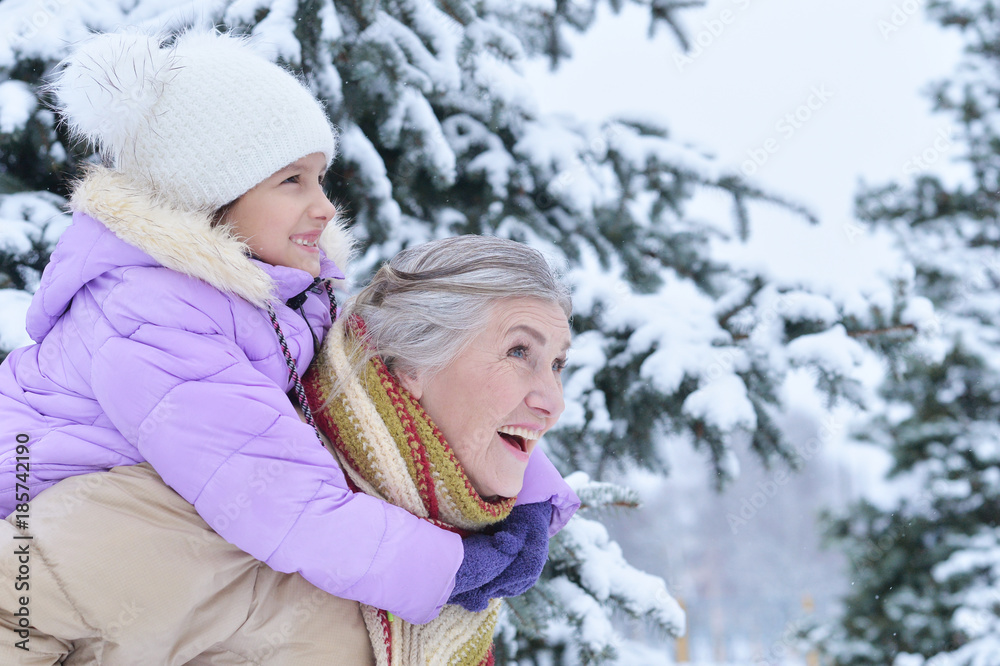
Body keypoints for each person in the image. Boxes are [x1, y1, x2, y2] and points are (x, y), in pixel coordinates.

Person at [0, 28, 578, 664]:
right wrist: (452, 567)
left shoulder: (275, 301)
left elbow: (381, 388)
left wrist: (533, 500)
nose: (325, 207)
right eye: (292, 181)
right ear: (210, 193)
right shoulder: (151, 317)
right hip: (46, 511)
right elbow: (288, 502)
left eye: (321, 178)